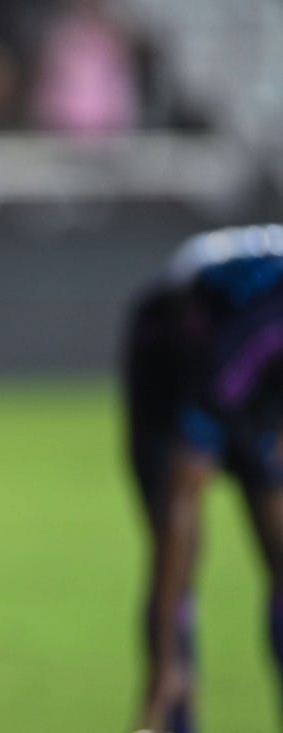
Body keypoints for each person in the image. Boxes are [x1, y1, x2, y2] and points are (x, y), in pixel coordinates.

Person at [124, 224, 283, 733]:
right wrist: (163, 658)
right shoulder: (244, 345)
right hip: (167, 356)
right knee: (175, 547)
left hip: (252, 363)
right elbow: (183, 501)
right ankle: (171, 694)